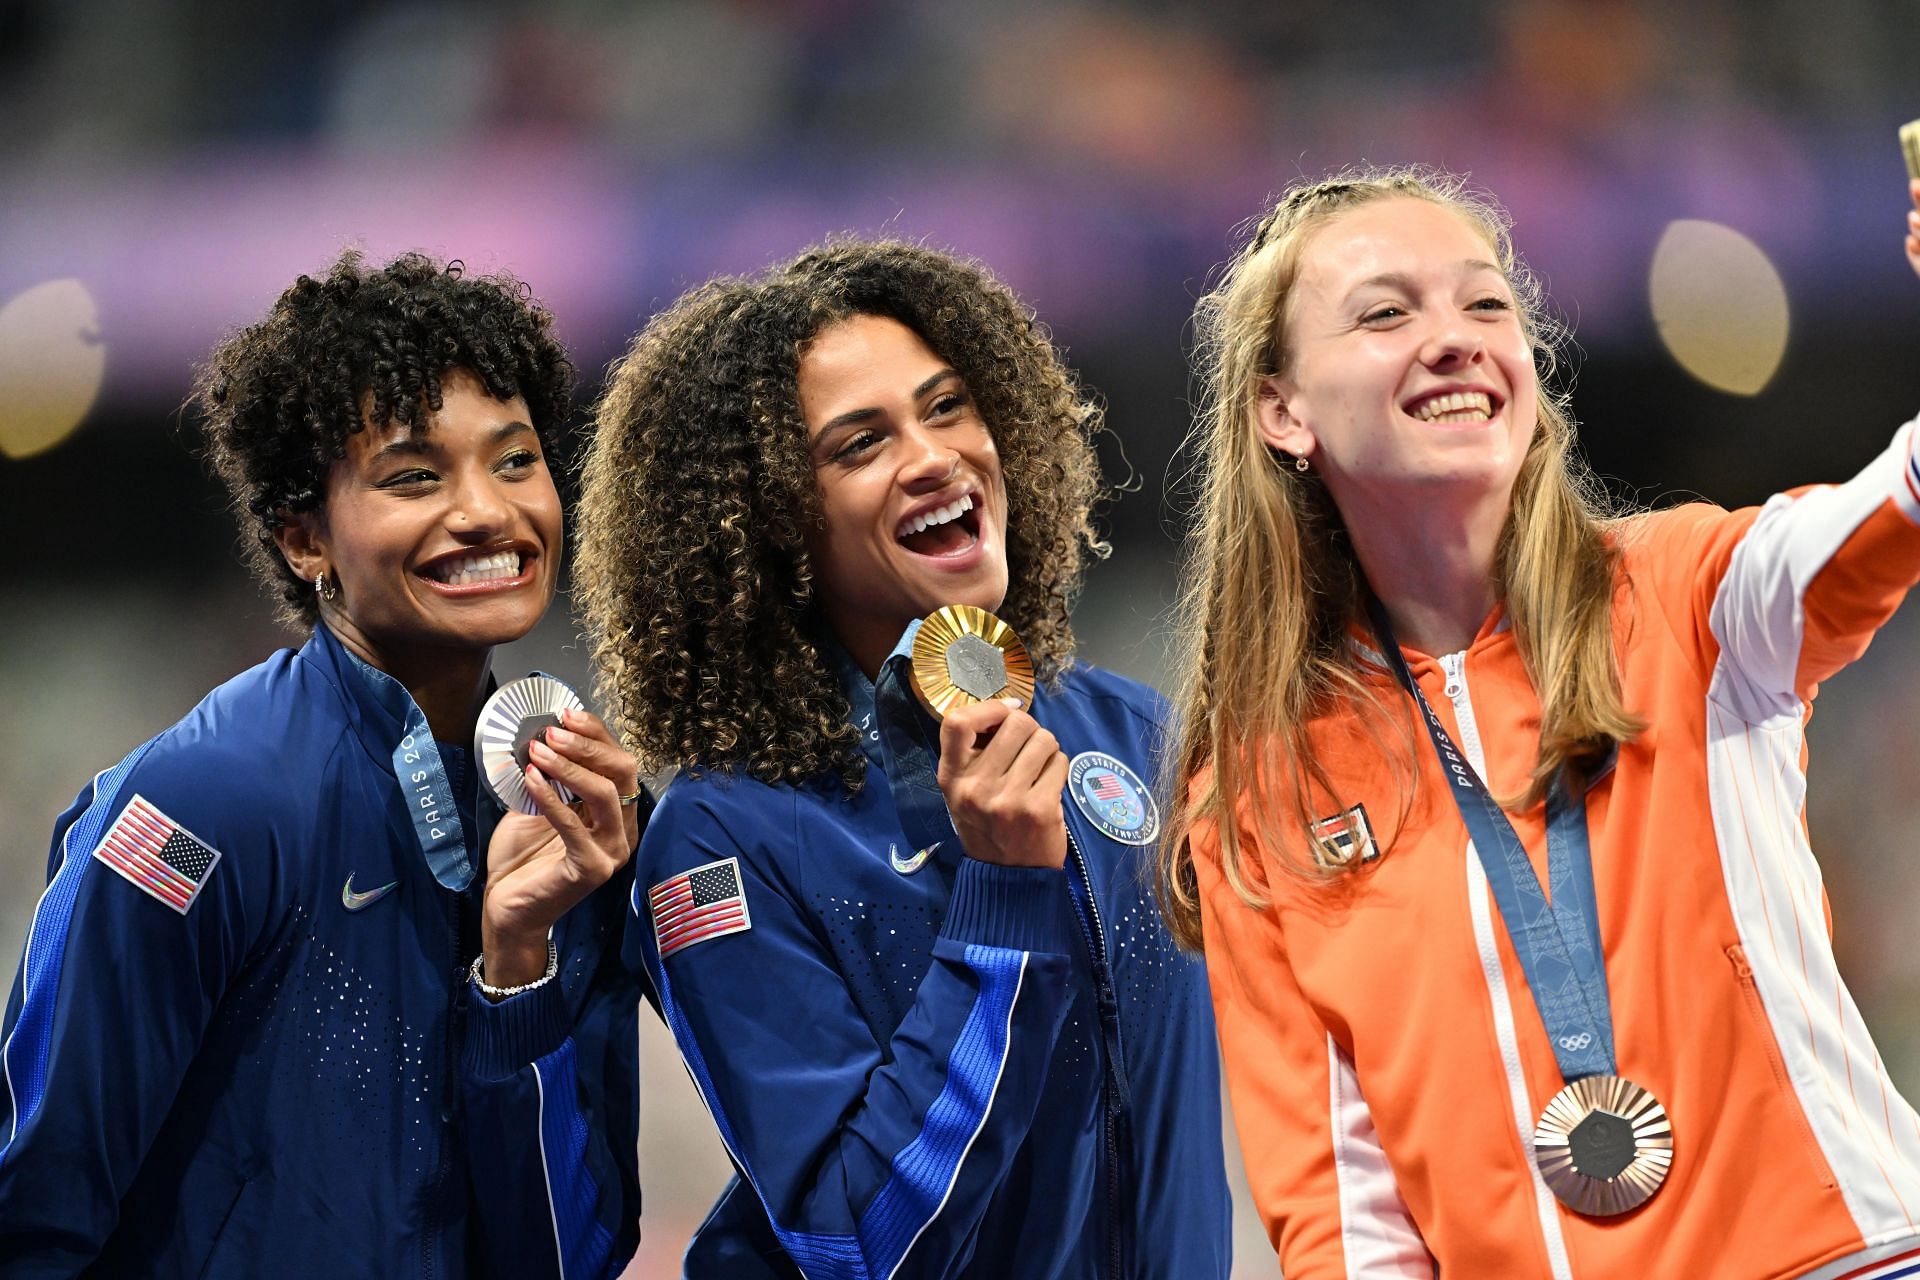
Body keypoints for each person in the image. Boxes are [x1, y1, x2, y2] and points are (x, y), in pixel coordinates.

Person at [1160, 168, 1920, 1277]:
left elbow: (1886, 513)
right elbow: (1342, 1208)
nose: (1456, 338)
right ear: (1283, 410)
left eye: (1485, 305)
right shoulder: (1256, 785)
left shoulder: (1689, 599)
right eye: (1385, 312)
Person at [575, 240, 1231, 1278]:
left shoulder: (1135, 735)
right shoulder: (726, 836)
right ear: (773, 523)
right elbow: (859, 1239)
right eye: (859, 443)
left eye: (948, 406)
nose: (934, 455)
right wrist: (1005, 900)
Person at [0, 252, 644, 1278]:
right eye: (413, 476)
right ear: (305, 539)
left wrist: (519, 968)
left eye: (515, 459)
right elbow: (33, 1209)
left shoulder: (574, 811)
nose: (486, 510)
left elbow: (567, 1254)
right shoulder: (202, 804)